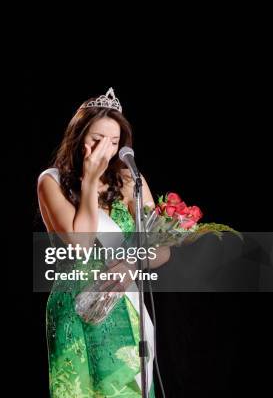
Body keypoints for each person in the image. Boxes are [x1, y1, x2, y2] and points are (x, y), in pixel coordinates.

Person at [37, 87, 171, 397]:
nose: (105, 150)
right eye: (96, 140)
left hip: (123, 301)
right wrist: (89, 180)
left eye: (113, 142)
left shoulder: (130, 182)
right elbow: (80, 243)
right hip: (78, 306)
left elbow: (161, 248)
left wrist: (130, 265)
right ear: (78, 137)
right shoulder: (51, 181)